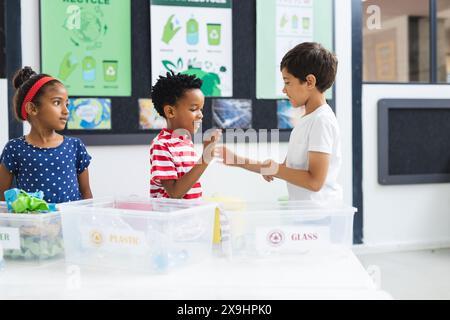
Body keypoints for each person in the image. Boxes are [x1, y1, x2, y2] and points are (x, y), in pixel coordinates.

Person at [219, 42, 343, 202]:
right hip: (307, 215)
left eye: (288, 82)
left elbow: (314, 182)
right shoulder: (307, 120)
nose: (284, 90)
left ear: (310, 82)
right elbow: (286, 170)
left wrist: (275, 169)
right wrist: (237, 160)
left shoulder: (322, 121)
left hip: (321, 217)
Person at [0, 67, 93, 203]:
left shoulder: (75, 146)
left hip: (70, 223)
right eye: (57, 102)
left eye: (66, 104)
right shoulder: (15, 149)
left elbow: (86, 194)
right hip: (33, 224)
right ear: (32, 108)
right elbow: (1, 199)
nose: (66, 111)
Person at [149, 72, 220, 199]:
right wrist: (205, 159)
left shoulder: (185, 141)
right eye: (193, 109)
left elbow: (189, 187)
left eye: (201, 109)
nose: (200, 115)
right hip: (170, 217)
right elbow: (175, 193)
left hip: (188, 216)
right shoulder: (161, 145)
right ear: (170, 111)